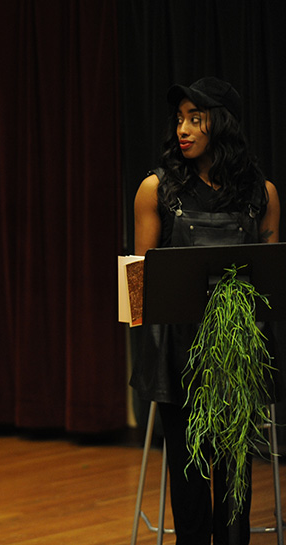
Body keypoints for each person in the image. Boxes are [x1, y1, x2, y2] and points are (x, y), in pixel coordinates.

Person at [131, 77, 280, 545]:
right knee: (188, 472)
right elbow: (138, 285)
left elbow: (271, 287)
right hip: (179, 356)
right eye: (180, 119)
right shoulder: (156, 189)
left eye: (196, 119)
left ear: (222, 124)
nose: (183, 129)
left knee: (235, 473)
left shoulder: (262, 193)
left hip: (237, 356)